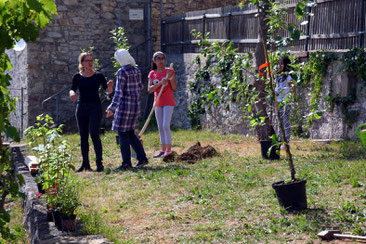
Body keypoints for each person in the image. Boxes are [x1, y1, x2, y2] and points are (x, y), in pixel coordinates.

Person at [70, 52, 113, 172]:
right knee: (83, 136)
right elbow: (72, 89)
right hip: (81, 107)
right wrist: (72, 93)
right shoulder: (77, 77)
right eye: (87, 60)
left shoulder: (98, 75)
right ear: (82, 63)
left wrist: (110, 87)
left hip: (95, 107)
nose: (90, 63)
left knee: (94, 133)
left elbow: (108, 91)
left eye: (91, 60)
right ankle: (85, 164)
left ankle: (99, 164)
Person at [106, 49, 149, 171]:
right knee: (130, 133)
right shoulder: (137, 70)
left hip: (125, 107)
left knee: (123, 134)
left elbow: (119, 92)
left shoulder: (122, 71)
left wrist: (111, 108)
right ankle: (142, 158)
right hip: (135, 107)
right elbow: (140, 87)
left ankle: (126, 163)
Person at [148, 51, 176, 158]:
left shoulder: (169, 71)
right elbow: (150, 90)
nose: (161, 61)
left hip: (168, 101)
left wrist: (170, 78)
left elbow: (174, 88)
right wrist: (160, 82)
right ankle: (162, 150)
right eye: (158, 59)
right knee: (160, 127)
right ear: (154, 61)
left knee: (165, 125)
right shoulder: (152, 73)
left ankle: (168, 150)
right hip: (158, 102)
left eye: (162, 58)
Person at [275, 56, 293, 149]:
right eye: (278, 64)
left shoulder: (288, 76)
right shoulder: (277, 76)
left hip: (285, 102)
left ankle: (286, 142)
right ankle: (280, 140)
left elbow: (293, 88)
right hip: (278, 101)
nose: (279, 66)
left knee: (285, 122)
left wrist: (286, 94)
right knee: (278, 121)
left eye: (281, 64)